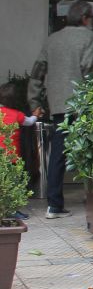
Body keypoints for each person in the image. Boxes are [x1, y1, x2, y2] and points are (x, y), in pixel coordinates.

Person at [28, 0, 93, 219]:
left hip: (59, 105)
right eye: (92, 17)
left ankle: (54, 204)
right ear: (85, 18)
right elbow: (90, 71)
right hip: (83, 104)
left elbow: (37, 72)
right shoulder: (88, 37)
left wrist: (35, 102)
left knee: (58, 154)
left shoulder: (53, 39)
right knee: (92, 151)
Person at [0, 83, 42, 220]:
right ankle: (12, 210)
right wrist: (36, 115)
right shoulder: (17, 114)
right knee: (13, 185)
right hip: (12, 157)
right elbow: (29, 122)